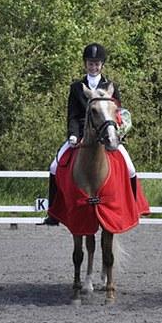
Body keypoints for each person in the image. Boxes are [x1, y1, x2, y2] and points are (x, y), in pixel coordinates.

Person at [40, 43, 138, 225]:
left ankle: (134, 207)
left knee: (130, 169)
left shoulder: (110, 86)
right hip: (81, 134)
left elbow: (118, 113)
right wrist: (73, 135)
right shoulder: (77, 87)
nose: (93, 67)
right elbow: (73, 115)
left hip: (106, 133)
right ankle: (53, 212)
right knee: (54, 167)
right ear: (85, 64)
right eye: (90, 63)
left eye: (97, 63)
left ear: (102, 65)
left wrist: (118, 133)